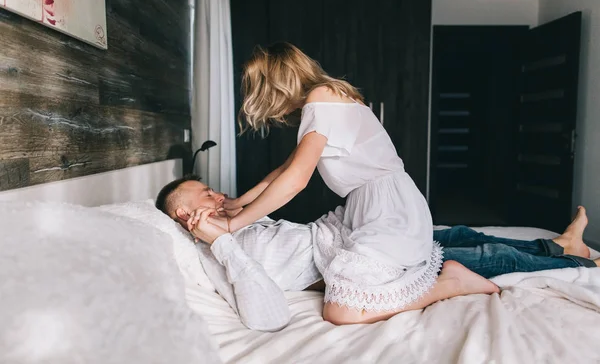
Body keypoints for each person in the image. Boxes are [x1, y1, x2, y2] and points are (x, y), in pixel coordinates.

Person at [219, 41, 496, 325]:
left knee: (340, 311)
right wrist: (238, 204)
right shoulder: (327, 98)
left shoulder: (322, 98)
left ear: (277, 81)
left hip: (389, 212)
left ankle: (451, 283)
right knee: (347, 288)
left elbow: (295, 180)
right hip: (379, 207)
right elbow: (284, 171)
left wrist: (232, 227)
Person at [155, 176, 598, 331]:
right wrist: (224, 241)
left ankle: (557, 245)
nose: (220, 195)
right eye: (207, 196)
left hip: (344, 234)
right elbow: (267, 317)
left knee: (453, 230)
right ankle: (577, 260)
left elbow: (279, 184)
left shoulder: (236, 223)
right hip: (356, 259)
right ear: (186, 218)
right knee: (482, 253)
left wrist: (235, 217)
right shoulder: (218, 257)